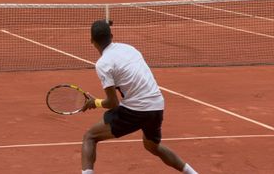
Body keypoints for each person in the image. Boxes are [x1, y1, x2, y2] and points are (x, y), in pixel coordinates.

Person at [81, 20, 198, 174]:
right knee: (152, 146)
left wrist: (94, 103)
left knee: (90, 137)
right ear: (111, 35)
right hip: (157, 105)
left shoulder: (103, 64)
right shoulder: (129, 49)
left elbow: (113, 103)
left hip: (136, 109)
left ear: (92, 41)